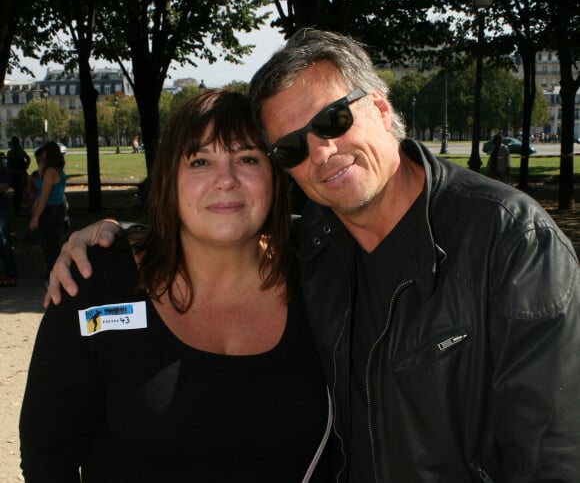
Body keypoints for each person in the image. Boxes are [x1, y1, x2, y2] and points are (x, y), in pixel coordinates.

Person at [46, 29, 580, 482]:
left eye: (331, 121)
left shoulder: (508, 240)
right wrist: (114, 234)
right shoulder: (313, 247)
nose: (322, 153)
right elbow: (219, 225)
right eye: (293, 147)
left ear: (379, 105)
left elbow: (552, 453)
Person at [20, 90, 332, 482]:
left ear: (275, 176)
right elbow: (48, 457)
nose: (226, 180)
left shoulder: (322, 277)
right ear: (170, 179)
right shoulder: (95, 282)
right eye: (200, 161)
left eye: (247, 158)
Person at [28, 141, 67, 286]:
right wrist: (40, 167)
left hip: (50, 210)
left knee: (50, 245)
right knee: (52, 243)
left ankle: (54, 276)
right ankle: (54, 274)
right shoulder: (56, 170)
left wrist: (35, 217)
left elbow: (43, 196)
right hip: (57, 208)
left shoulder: (51, 172)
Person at [0, 158, 18, 286]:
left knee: (4, 242)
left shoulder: (2, 171)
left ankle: (11, 274)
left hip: (1, 209)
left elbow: (4, 187)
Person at [6, 136, 30, 215]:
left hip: (13, 175)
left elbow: (8, 165)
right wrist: (26, 165)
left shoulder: (10, 153)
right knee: (19, 192)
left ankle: (16, 208)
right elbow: (28, 159)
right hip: (21, 174)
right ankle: (18, 208)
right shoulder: (21, 151)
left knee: (16, 192)